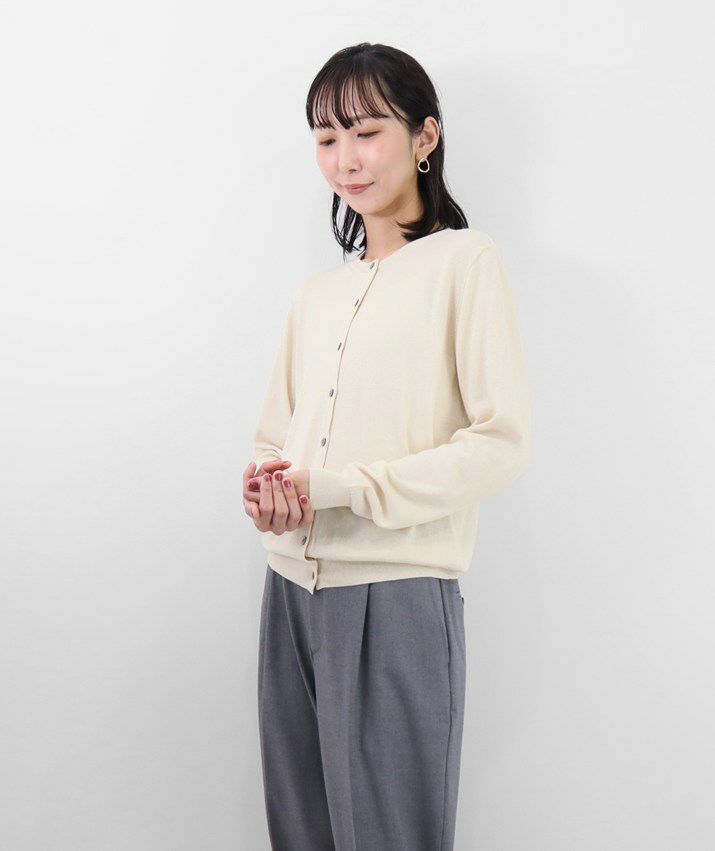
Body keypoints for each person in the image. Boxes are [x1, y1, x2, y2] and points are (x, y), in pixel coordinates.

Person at [243, 42, 532, 851]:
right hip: (287, 592)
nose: (346, 158)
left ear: (424, 136)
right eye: (326, 137)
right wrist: (269, 491)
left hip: (396, 592)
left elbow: (500, 441)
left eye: (367, 131)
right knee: (301, 834)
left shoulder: (463, 262)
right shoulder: (316, 295)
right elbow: (274, 435)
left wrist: (345, 489)